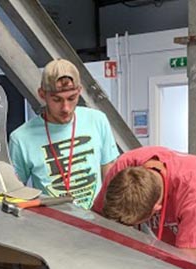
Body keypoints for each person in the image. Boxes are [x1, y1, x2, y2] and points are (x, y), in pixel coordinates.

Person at [8, 59, 119, 209]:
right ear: (42, 94)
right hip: (54, 223)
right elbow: (16, 192)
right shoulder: (20, 138)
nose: (65, 108)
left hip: (96, 220)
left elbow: (109, 172)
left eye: (72, 98)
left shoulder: (97, 120)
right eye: (57, 100)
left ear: (79, 91)